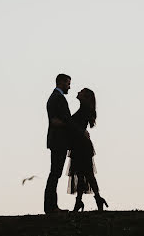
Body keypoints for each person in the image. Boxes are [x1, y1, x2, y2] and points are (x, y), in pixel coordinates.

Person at [44, 74, 89, 214]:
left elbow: (62, 121)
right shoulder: (57, 99)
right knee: (55, 174)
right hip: (59, 142)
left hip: (57, 141)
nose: (69, 86)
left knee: (54, 173)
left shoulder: (55, 98)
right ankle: (51, 207)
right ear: (61, 82)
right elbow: (66, 121)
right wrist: (81, 131)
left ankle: (51, 206)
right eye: (68, 83)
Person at [63, 88, 108, 212]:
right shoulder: (83, 109)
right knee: (81, 174)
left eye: (81, 91)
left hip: (81, 146)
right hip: (79, 145)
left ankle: (95, 198)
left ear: (85, 96)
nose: (78, 92)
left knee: (86, 173)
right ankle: (82, 201)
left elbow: (73, 124)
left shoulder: (84, 110)